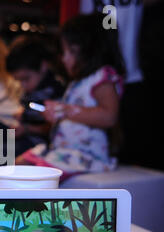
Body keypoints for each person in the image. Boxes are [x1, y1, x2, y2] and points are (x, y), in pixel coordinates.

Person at [16, 13, 125, 182]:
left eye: (71, 51)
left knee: (30, 174)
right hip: (64, 150)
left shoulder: (101, 77)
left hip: (86, 155)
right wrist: (55, 114)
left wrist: (66, 111)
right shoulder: (77, 83)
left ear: (90, 51)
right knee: (19, 165)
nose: (64, 58)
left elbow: (109, 116)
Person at [0, 36, 65, 164]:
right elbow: (30, 107)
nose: (23, 85)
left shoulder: (56, 90)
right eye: (19, 81)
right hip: (22, 133)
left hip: (37, 141)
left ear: (43, 66)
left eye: (26, 79)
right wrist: (23, 114)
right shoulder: (34, 88)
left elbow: (58, 128)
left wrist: (28, 129)